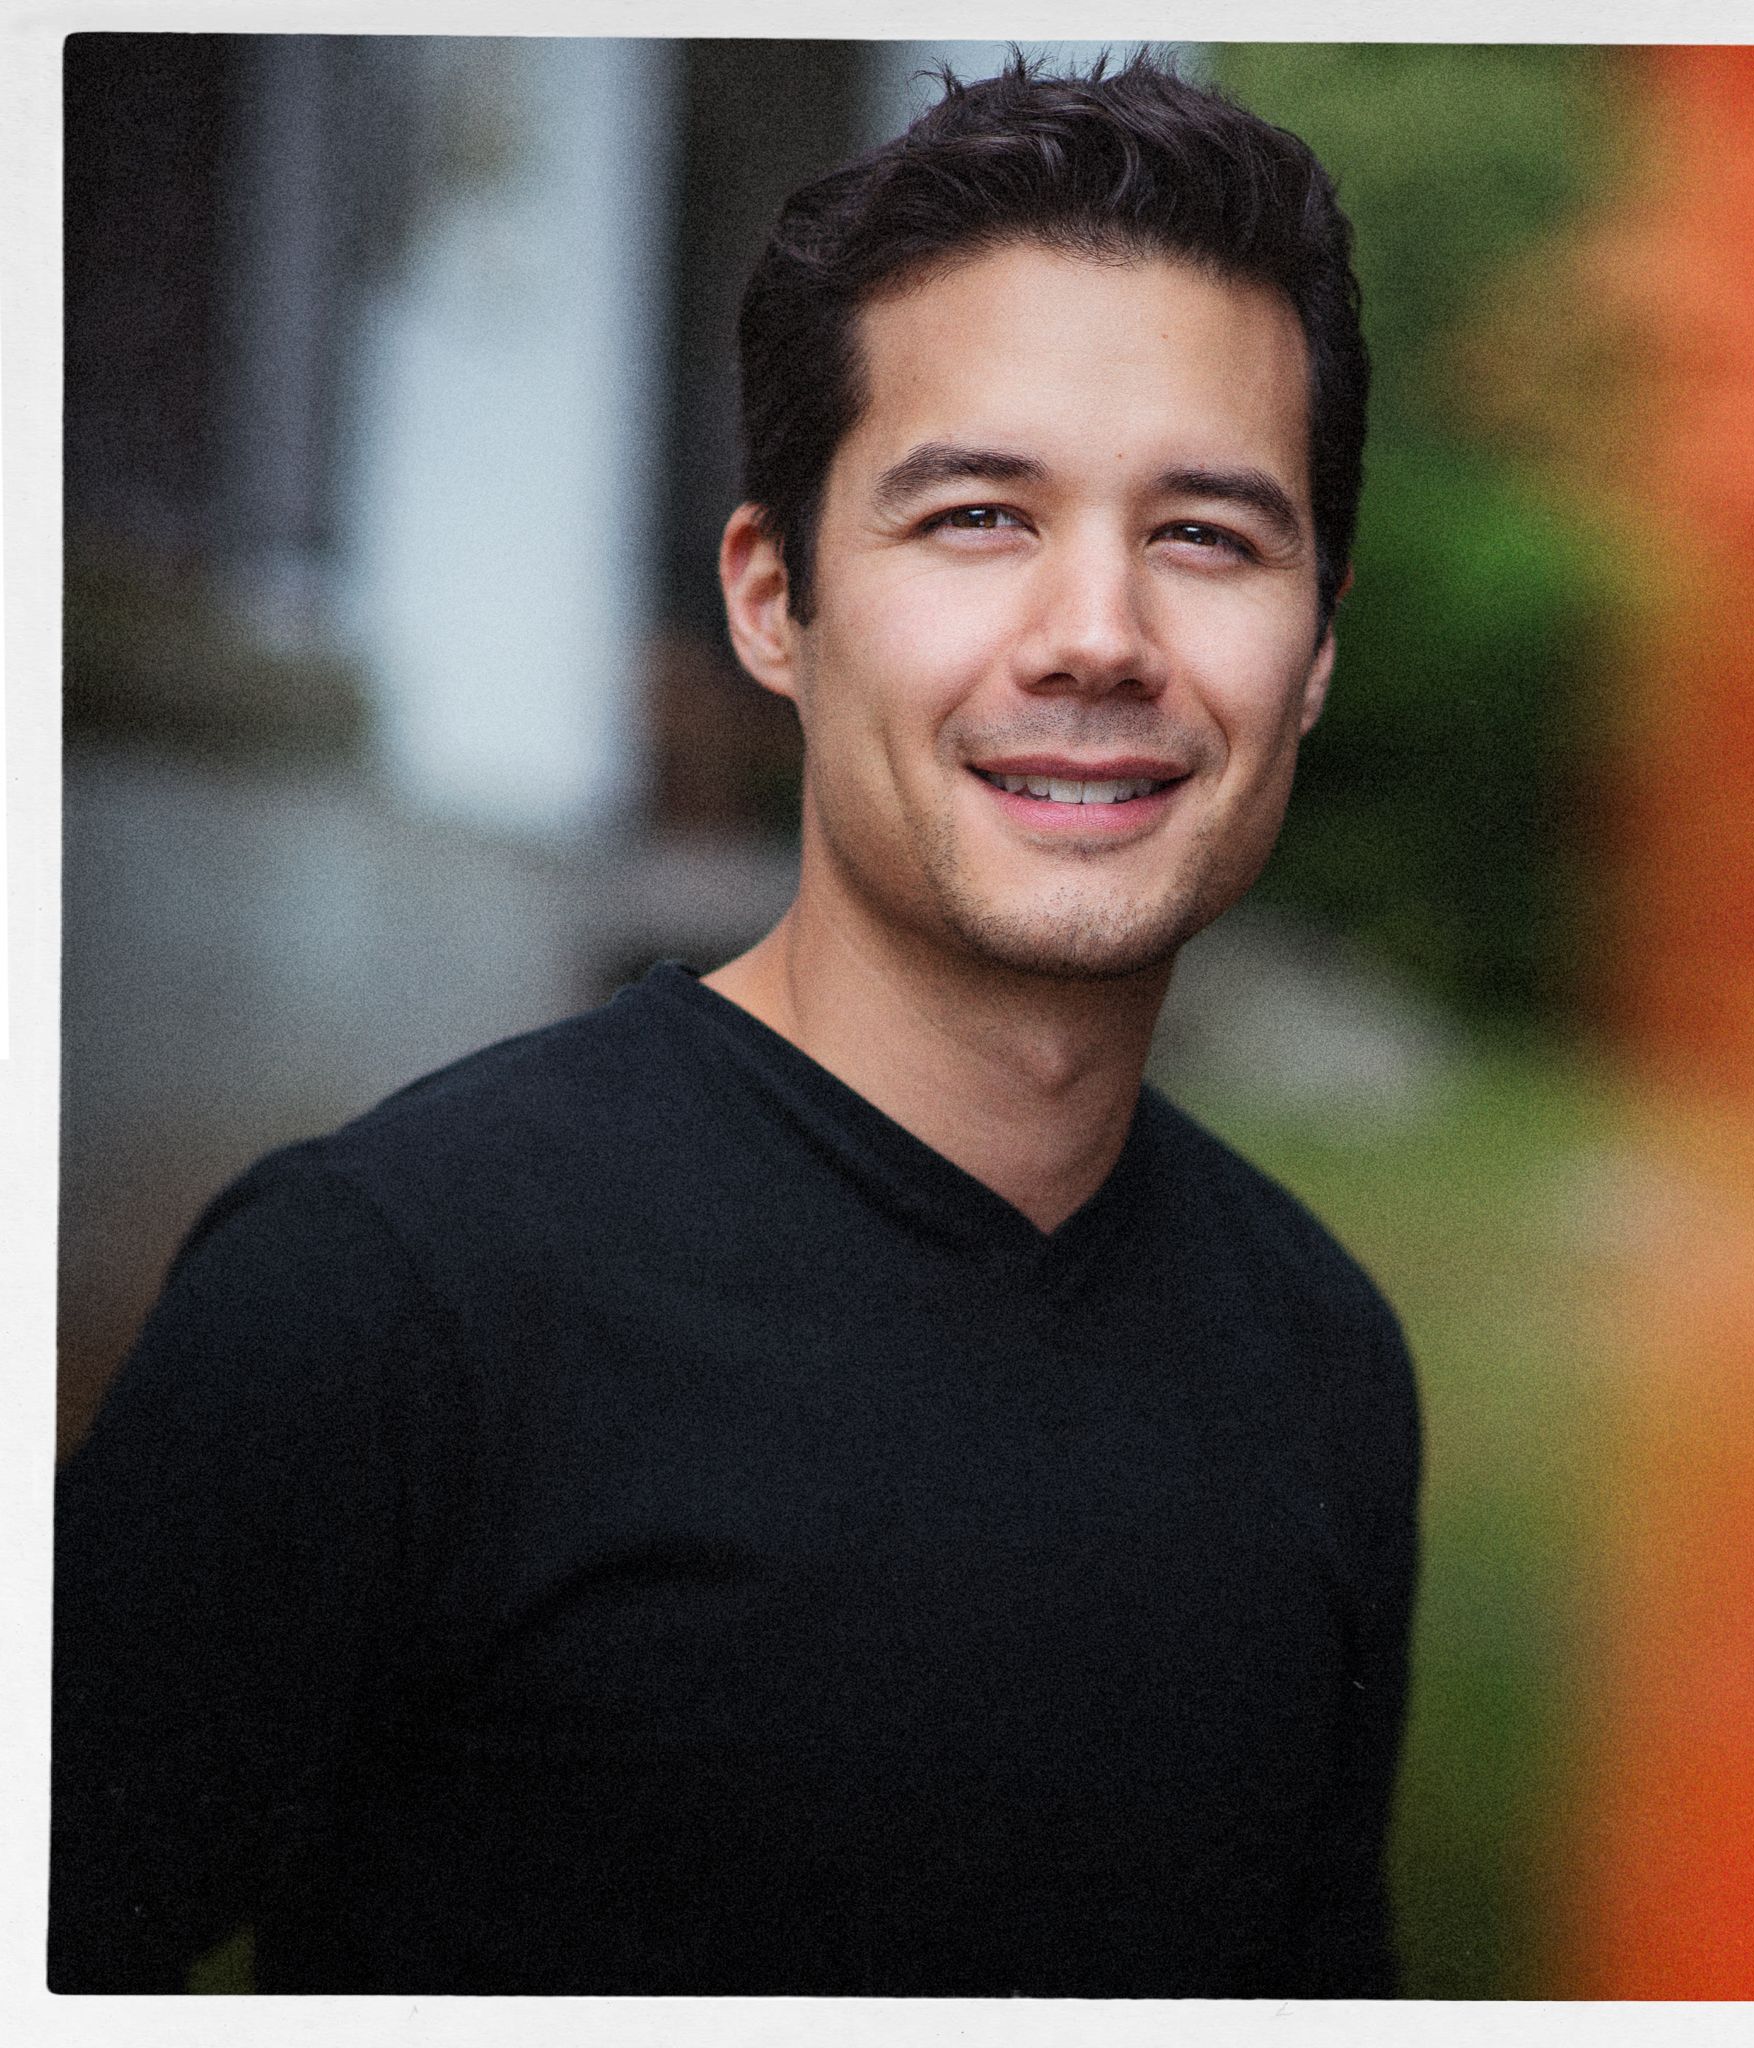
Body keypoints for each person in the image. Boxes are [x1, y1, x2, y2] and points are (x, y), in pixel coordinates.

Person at [50, 53, 1421, 1998]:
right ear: (776, 601)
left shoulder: (1320, 1362)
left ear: (1316, 648)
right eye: (978, 516)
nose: (1097, 636)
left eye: (1207, 534)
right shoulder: (384, 1304)